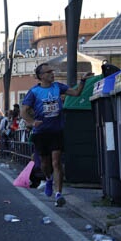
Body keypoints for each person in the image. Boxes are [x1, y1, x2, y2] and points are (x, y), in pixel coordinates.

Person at [21, 63, 90, 207]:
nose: (52, 74)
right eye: (48, 72)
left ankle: (58, 194)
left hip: (56, 131)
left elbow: (76, 93)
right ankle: (48, 178)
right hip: (41, 132)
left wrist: (82, 81)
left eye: (52, 71)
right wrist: (32, 122)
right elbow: (24, 111)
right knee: (45, 164)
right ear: (41, 76)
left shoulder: (58, 87)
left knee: (56, 162)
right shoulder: (34, 92)